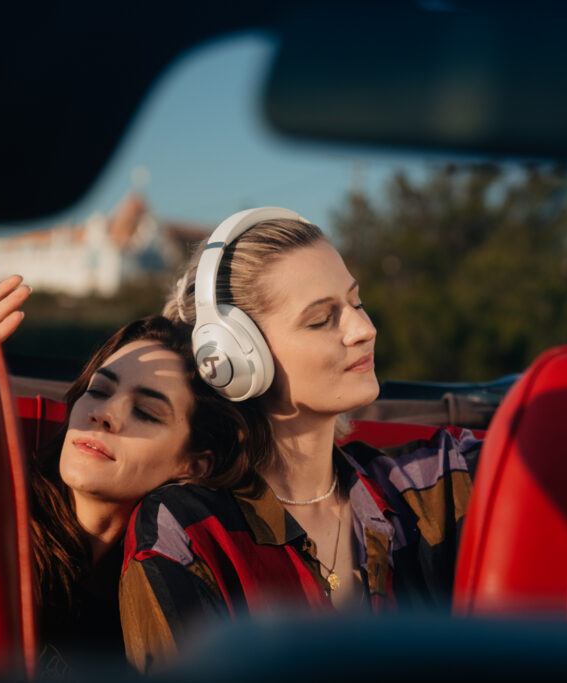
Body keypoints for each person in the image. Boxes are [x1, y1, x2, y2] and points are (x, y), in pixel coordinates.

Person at [118, 208, 482, 673]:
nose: (364, 329)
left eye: (356, 302)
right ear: (232, 358)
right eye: (321, 319)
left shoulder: (429, 486)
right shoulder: (187, 532)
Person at [24, 315, 256, 676]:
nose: (104, 415)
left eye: (146, 412)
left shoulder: (169, 587)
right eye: (98, 391)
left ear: (194, 465)